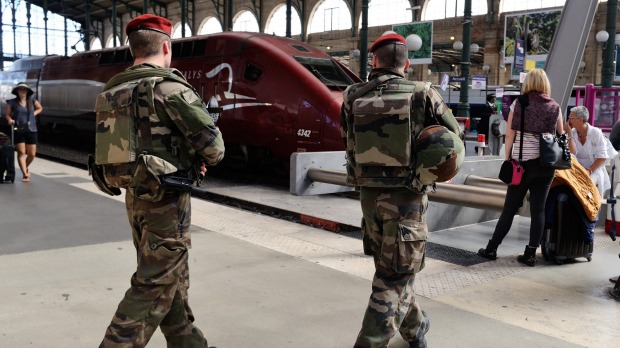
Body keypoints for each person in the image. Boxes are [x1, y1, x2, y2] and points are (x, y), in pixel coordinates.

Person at [98, 14, 224, 347]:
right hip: (166, 204)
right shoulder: (169, 88)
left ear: (132, 49)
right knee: (153, 285)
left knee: (171, 280)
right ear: (166, 47)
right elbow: (215, 148)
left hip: (135, 199)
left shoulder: (113, 90)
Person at [341, 33, 462, 348]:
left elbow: (347, 140)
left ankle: (415, 327)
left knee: (391, 267)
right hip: (407, 200)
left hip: (368, 199)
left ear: (374, 61)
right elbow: (453, 138)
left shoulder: (352, 96)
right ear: (406, 63)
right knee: (395, 275)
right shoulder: (423, 93)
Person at [478, 68, 565, 267]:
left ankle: (492, 248)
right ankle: (531, 254)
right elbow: (560, 136)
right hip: (545, 166)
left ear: (528, 84)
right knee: (538, 210)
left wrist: (509, 158)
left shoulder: (519, 104)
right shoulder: (555, 107)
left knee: (509, 209)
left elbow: (509, 135)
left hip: (522, 165)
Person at [564, 105, 611, 199]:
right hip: (576, 170)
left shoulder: (595, 132)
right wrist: (569, 133)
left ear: (580, 119)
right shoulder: (572, 132)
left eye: (571, 118)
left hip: (593, 170)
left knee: (585, 185)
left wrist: (589, 171)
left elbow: (602, 157)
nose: (568, 121)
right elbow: (572, 153)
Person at [5, 82, 43, 182]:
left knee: (32, 154)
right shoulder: (12, 103)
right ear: (17, 91)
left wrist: (33, 114)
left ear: (27, 91)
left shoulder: (32, 101)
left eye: (24, 89)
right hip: (19, 129)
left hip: (32, 129)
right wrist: (9, 120)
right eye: (20, 89)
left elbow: (40, 108)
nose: (22, 91)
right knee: (21, 152)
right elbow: (8, 115)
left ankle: (25, 167)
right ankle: (25, 174)